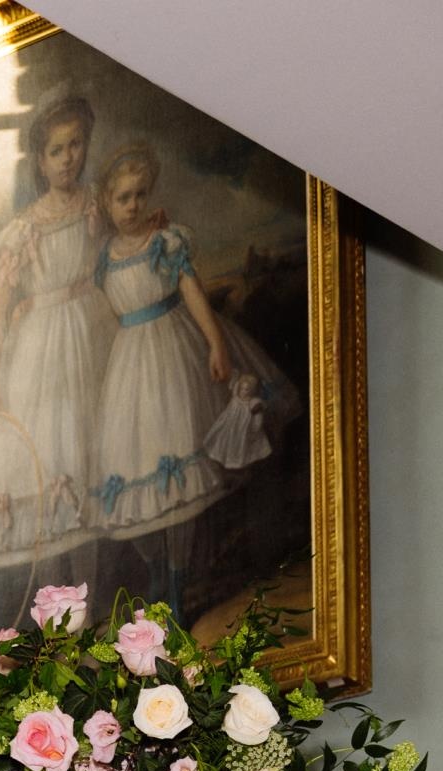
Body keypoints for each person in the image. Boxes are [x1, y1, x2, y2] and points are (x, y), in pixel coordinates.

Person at [0, 95, 115, 570]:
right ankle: (57, 610)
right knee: (52, 464)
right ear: (39, 159)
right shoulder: (24, 229)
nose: (69, 157)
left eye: (76, 144)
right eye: (57, 150)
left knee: (95, 458)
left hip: (96, 336)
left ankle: (96, 605)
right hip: (42, 355)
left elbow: (117, 251)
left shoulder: (97, 201)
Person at [87, 143, 295, 543]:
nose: (132, 206)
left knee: (185, 440)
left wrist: (217, 344)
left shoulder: (166, 241)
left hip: (177, 349)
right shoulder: (104, 258)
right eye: (122, 198)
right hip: (131, 365)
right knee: (141, 454)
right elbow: (103, 312)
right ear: (107, 202)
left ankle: (191, 562)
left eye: (140, 195)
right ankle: (164, 572)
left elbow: (194, 293)